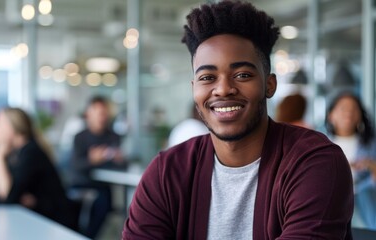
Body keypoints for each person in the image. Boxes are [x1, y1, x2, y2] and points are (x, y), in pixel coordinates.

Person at [122, 1, 353, 239]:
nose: (223, 89)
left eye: (242, 75)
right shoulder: (167, 171)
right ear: (194, 90)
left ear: (270, 84)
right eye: (207, 77)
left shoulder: (314, 161)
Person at [0, 107, 75, 229]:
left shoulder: (31, 153)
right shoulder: (20, 152)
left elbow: (8, 199)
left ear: (11, 127)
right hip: (40, 222)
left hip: (54, 226)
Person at [70, 95, 125, 239]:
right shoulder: (80, 137)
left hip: (102, 187)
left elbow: (122, 164)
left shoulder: (113, 136)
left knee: (103, 201)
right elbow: (76, 165)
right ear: (89, 114)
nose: (102, 117)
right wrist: (92, 160)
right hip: (81, 184)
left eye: (104, 113)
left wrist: (119, 159)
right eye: (99, 113)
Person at [326, 91, 376, 230]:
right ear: (331, 115)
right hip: (330, 206)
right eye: (343, 108)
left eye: (354, 108)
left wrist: (372, 168)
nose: (349, 113)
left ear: (360, 115)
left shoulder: (371, 146)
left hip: (367, 209)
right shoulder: (319, 144)